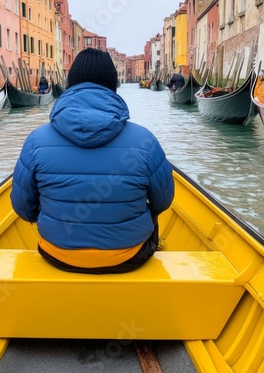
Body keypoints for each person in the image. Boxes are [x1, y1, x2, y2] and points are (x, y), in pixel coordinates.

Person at [11, 48, 174, 274]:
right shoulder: (145, 141)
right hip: (129, 256)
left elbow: (23, 209)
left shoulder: (35, 141)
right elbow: (162, 202)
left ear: (71, 84)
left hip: (58, 254)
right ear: (113, 85)